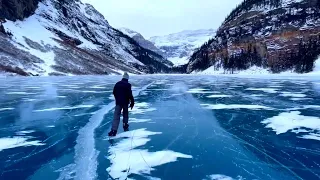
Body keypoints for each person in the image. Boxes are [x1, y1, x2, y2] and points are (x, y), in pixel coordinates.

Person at [108, 72, 134, 137]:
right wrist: (132, 102)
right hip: (125, 102)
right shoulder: (128, 85)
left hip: (118, 102)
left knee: (116, 116)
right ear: (127, 78)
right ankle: (125, 124)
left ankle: (114, 130)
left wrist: (117, 98)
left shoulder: (117, 84)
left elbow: (114, 92)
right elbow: (130, 95)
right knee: (125, 114)